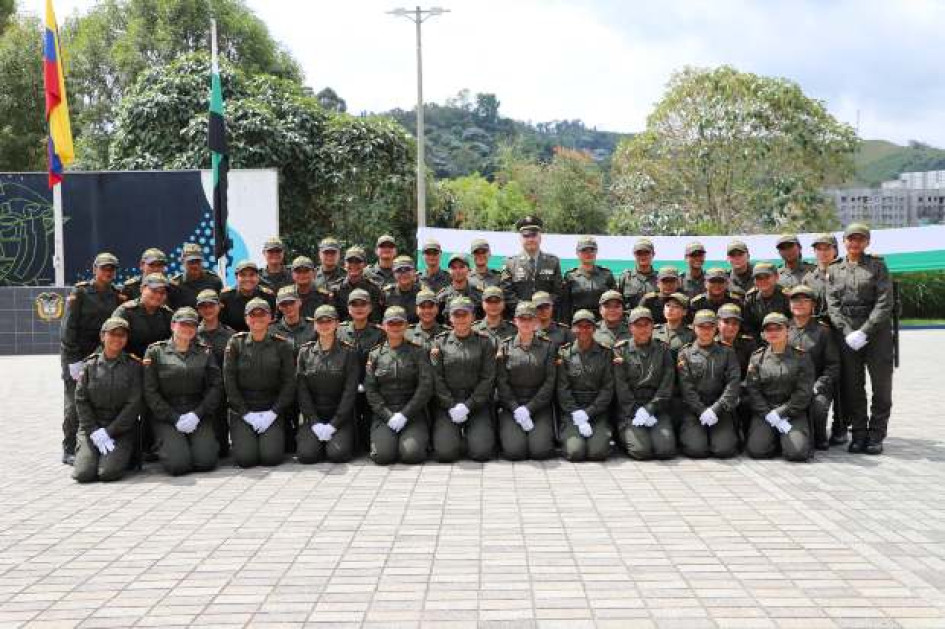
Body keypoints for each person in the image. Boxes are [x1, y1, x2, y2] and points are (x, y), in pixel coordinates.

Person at [826, 222, 894, 455]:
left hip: (877, 333)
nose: (855, 243)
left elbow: (884, 302)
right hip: (848, 335)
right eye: (851, 239)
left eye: (860, 239)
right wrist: (847, 332)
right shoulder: (834, 269)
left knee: (881, 387)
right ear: (844, 241)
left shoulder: (878, 266)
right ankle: (859, 434)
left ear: (867, 242)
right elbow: (832, 305)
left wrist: (865, 330)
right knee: (853, 387)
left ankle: (876, 434)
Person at [142, 307, 222, 475]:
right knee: (178, 465)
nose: (188, 328)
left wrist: (197, 414)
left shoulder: (205, 351)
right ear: (173, 326)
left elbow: (216, 386)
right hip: (167, 414)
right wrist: (173, 417)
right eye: (183, 324)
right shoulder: (155, 351)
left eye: (192, 325)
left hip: (197, 412)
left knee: (206, 462)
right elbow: (150, 391)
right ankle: (165, 445)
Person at [60, 252, 122, 465]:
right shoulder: (80, 293)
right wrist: (73, 360)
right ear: (95, 269)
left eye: (112, 269)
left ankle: (91, 443)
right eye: (104, 268)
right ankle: (69, 447)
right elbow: (68, 328)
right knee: (74, 403)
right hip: (76, 354)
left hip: (101, 354)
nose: (108, 272)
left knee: (96, 399)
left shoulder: (116, 295)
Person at [223, 298, 296, 468]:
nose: (257, 318)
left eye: (262, 314)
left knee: (271, 457)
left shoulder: (281, 345)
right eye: (253, 315)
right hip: (243, 409)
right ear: (246, 319)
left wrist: (274, 412)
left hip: (271, 407)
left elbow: (289, 381)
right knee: (246, 459)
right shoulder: (236, 343)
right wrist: (245, 413)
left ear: (270, 317)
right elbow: (229, 381)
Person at [72, 317, 143, 483]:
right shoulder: (89, 365)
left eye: (122, 335)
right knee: (83, 474)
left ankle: (125, 455)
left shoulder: (134, 366)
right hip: (92, 428)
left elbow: (134, 404)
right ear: (102, 336)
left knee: (107, 473)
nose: (117, 339)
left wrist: (109, 431)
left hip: (121, 430)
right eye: (112, 334)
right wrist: (93, 430)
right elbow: (81, 400)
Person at [430, 296, 498, 462]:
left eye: (465, 314)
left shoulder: (485, 342)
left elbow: (488, 377)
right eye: (456, 314)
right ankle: (454, 438)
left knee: (481, 453)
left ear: (473, 316)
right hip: (447, 405)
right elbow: (436, 377)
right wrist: (451, 405)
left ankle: (471, 437)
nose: (461, 318)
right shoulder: (440, 342)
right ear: (450, 318)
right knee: (445, 454)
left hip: (476, 404)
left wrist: (469, 405)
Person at [364, 306, 433, 465]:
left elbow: (425, 386)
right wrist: (387, 415)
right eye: (391, 323)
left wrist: (405, 414)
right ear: (384, 326)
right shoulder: (375, 354)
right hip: (384, 413)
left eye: (399, 323)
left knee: (412, 455)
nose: (395, 327)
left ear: (406, 325)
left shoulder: (418, 352)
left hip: (412, 413)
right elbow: (371, 389)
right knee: (383, 456)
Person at [744, 312, 815, 461]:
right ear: (763, 334)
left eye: (778, 328)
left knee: (797, 453)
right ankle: (775, 439)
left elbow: (803, 392)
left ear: (787, 330)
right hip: (765, 412)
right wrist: (768, 413)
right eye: (768, 329)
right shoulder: (757, 357)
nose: (773, 332)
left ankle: (786, 439)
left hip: (792, 412)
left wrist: (781, 412)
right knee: (757, 451)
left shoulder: (801, 357)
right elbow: (753, 390)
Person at [296, 305, 360, 464]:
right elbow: (302, 390)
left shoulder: (349, 352)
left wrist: (334, 424)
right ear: (314, 325)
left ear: (337, 324)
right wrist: (314, 421)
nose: (324, 325)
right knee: (307, 455)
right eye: (320, 321)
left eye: (329, 321)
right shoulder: (304, 352)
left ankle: (333, 440)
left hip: (339, 415)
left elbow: (349, 392)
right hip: (313, 414)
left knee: (338, 454)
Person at [613, 307, 676, 460]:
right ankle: (623, 435)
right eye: (638, 325)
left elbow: (667, 383)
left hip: (656, 407)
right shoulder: (621, 350)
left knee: (665, 450)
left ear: (652, 326)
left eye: (646, 324)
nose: (643, 329)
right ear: (630, 327)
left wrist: (650, 408)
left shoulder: (663, 349)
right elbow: (621, 387)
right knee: (641, 452)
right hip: (630, 409)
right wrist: (636, 410)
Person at [495, 302, 556, 460]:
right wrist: (515, 408)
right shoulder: (505, 346)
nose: (526, 323)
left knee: (540, 451)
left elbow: (550, 381)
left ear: (536, 321)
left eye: (530, 319)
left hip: (539, 405)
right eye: (522, 319)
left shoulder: (548, 346)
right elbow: (501, 382)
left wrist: (530, 408)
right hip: (512, 405)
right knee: (514, 452)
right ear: (515, 321)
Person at [676, 310, 741, 459]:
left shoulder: (727, 352)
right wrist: (701, 410)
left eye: (710, 326)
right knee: (696, 450)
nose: (706, 330)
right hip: (694, 409)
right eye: (701, 326)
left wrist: (716, 409)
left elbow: (733, 383)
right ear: (694, 328)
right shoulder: (685, 353)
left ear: (716, 328)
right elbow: (686, 387)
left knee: (724, 450)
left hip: (721, 408)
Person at [556, 309, 614, 462]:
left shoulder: (605, 353)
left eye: (588, 326)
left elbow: (607, 388)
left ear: (594, 328)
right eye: (579, 326)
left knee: (597, 453)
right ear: (573, 328)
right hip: (572, 412)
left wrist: (589, 412)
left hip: (597, 411)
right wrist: (576, 413)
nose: (583, 330)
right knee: (575, 453)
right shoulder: (565, 353)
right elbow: (562, 389)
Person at [788, 285, 840, 450]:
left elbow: (833, 365)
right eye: (795, 300)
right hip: (788, 387)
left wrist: (818, 386)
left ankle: (818, 435)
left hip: (815, 386)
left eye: (805, 300)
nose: (800, 303)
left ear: (813, 305)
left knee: (818, 406)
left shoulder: (823, 331)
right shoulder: (783, 329)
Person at [337, 288, 386, 451]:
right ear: (348, 308)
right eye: (354, 304)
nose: (359, 308)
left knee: (369, 438)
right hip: (345, 390)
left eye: (363, 304)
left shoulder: (380, 333)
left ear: (370, 308)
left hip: (372, 389)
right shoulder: (339, 331)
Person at [195, 289, 235, 456]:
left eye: (211, 305)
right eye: (203, 306)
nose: (207, 309)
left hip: (224, 392)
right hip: (199, 393)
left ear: (219, 306)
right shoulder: (192, 334)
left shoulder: (230, 335)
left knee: (222, 450)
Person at [500, 215, 563, 318]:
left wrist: (543, 308)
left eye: (533, 235)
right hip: (521, 319)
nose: (530, 239)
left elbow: (558, 292)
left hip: (545, 318)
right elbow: (507, 293)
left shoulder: (553, 262)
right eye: (526, 236)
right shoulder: (510, 263)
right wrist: (525, 310)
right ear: (520, 239)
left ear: (540, 237)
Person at [111, 272, 173, 359]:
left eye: (162, 293)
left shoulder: (167, 314)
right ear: (142, 289)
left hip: (158, 362)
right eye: (154, 291)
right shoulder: (125, 312)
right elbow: (111, 342)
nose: (158, 295)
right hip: (127, 361)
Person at [562, 236, 615, 321]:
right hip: (579, 322)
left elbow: (614, 302)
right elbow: (565, 305)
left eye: (592, 250)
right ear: (577, 253)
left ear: (596, 252)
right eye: (584, 250)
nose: (588, 254)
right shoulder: (570, 276)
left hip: (602, 322)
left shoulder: (606, 274)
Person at [219, 260, 276, 332]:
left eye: (252, 275)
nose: (247, 279)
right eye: (243, 275)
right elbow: (222, 324)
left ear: (258, 277)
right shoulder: (225, 296)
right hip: (232, 336)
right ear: (236, 277)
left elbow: (273, 322)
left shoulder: (268, 296)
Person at [333, 246, 385, 323]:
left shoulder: (374, 289)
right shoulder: (336, 290)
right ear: (344, 264)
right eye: (350, 261)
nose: (354, 265)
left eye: (358, 262)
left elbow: (376, 318)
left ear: (365, 264)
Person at [742, 262, 791, 341]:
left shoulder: (786, 296)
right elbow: (748, 324)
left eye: (767, 277)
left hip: (784, 338)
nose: (763, 281)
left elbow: (793, 322)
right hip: (759, 339)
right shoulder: (751, 298)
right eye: (759, 278)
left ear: (776, 277)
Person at [170, 243, 223, 309]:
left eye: (198, 261)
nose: (195, 265)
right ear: (182, 262)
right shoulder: (174, 285)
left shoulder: (214, 281)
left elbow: (221, 306)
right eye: (191, 262)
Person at [803, 233, 839, 321]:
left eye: (827, 248)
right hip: (817, 325)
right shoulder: (808, 279)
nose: (823, 252)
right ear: (814, 251)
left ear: (835, 250)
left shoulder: (845, 275)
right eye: (819, 249)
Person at [436, 253, 483, 319]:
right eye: (453, 268)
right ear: (449, 271)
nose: (458, 271)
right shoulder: (442, 297)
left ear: (469, 270)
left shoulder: (479, 295)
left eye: (461, 267)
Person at [616, 238, 658, 310]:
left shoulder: (660, 278)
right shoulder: (625, 277)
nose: (643, 256)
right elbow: (618, 302)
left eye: (646, 253)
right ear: (634, 254)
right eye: (639, 253)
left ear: (653, 254)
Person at [272, 286, 316, 352]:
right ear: (279, 307)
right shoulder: (271, 329)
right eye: (283, 304)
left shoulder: (313, 327)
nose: (288, 307)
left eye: (291, 302)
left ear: (299, 302)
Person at [383, 256, 422, 323]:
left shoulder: (421, 293)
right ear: (394, 274)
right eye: (399, 270)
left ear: (414, 271)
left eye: (407, 269)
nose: (404, 274)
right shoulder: (386, 294)